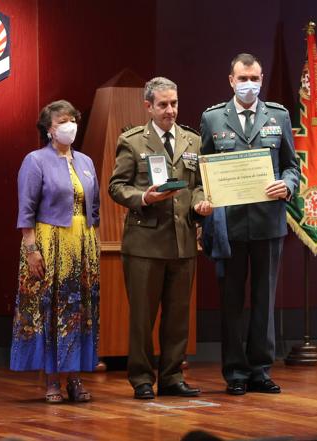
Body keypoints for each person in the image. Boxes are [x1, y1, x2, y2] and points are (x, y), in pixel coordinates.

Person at [200, 53, 299, 395]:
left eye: (255, 78)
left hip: (268, 222)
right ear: (231, 80)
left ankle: (260, 369)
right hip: (228, 225)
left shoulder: (278, 115)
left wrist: (287, 185)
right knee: (231, 302)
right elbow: (203, 169)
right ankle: (235, 373)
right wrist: (205, 200)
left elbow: (292, 166)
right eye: (243, 79)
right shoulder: (213, 119)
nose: (249, 85)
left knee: (263, 299)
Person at [109, 77, 212, 399]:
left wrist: (200, 202)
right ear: (148, 106)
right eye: (163, 105)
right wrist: (143, 197)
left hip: (182, 241)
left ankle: (171, 376)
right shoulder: (133, 141)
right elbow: (117, 186)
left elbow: (198, 184)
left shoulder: (192, 141)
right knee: (143, 317)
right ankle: (141, 378)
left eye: (174, 103)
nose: (171, 110)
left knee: (178, 317)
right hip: (145, 244)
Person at [11, 100, 100, 404]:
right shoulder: (35, 161)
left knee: (79, 311)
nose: (70, 125)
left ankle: (75, 378)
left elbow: (95, 206)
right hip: (50, 242)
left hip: (83, 244)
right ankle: (52, 381)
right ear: (49, 129)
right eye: (62, 121)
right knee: (53, 309)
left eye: (73, 119)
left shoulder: (86, 162)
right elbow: (26, 210)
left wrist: (93, 243)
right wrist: (32, 248)